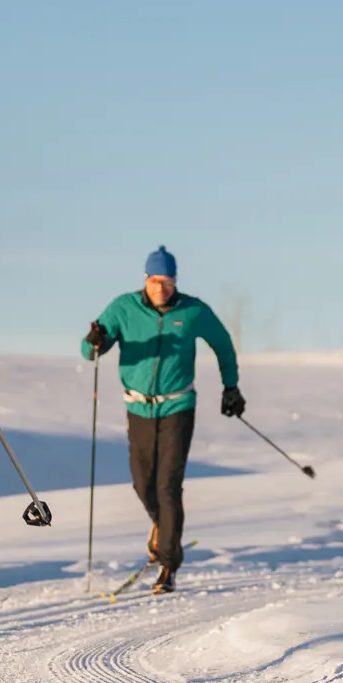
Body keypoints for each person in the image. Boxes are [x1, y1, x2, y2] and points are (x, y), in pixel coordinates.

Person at [81, 247, 243, 593]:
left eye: (168, 282)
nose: (162, 288)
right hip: (138, 407)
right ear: (146, 279)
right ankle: (162, 527)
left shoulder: (192, 310)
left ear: (175, 282)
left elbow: (222, 343)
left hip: (178, 406)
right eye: (156, 281)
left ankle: (168, 563)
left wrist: (230, 386)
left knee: (168, 484)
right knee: (143, 484)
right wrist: (94, 341)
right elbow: (90, 349)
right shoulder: (123, 308)